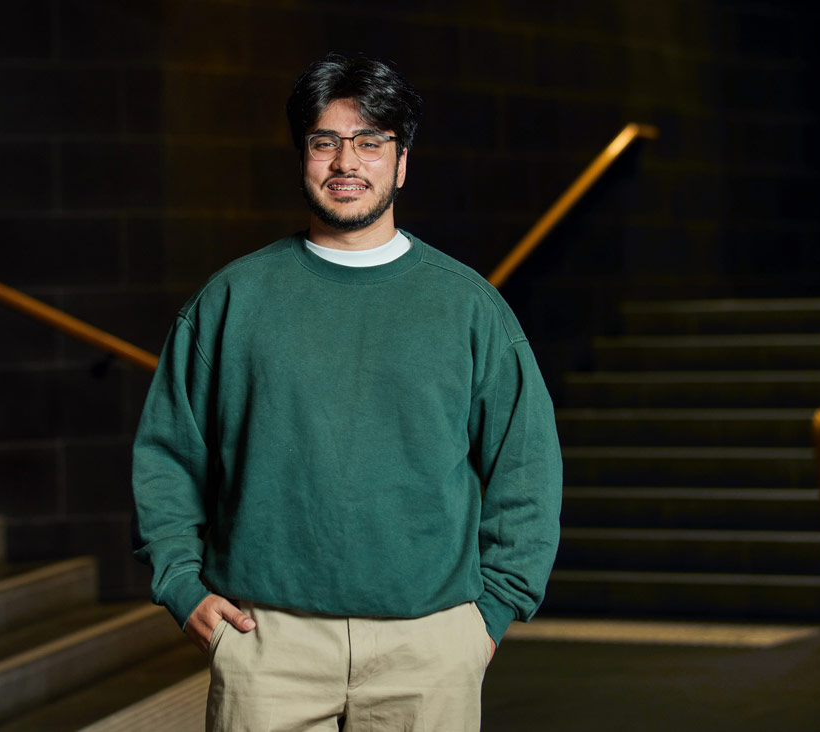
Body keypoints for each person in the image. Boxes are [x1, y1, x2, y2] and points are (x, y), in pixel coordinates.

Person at [131, 52, 562, 731]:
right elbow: (167, 456)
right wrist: (183, 588)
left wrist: (494, 612)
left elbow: (526, 467)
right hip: (266, 642)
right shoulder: (233, 299)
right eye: (324, 142)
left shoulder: (468, 306)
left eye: (370, 143)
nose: (346, 164)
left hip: (429, 645)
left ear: (402, 160)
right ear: (302, 156)